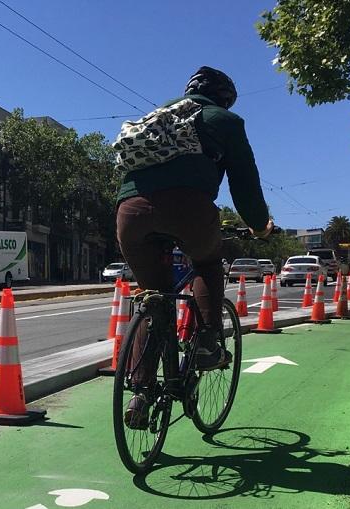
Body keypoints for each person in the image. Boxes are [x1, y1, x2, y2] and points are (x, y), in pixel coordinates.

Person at [115, 66, 273, 429]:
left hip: (129, 214)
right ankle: (205, 343)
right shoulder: (225, 121)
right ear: (224, 98)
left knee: (153, 296)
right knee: (206, 263)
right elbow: (245, 185)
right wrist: (260, 224)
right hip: (189, 209)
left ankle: (140, 392)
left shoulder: (157, 115)